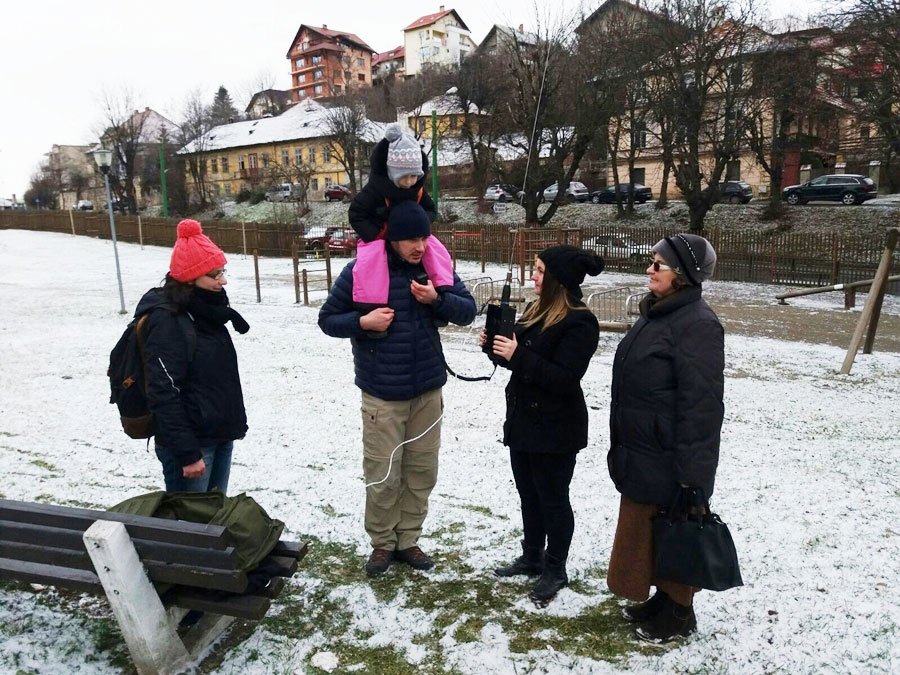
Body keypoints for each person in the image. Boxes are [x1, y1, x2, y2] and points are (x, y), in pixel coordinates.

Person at [318, 200, 477, 578]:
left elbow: (468, 310)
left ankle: (408, 539)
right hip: (382, 394)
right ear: (392, 239)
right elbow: (327, 319)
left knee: (421, 471)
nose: (419, 246)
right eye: (410, 240)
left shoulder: (433, 267)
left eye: (424, 238)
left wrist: (437, 299)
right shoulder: (361, 270)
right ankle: (382, 542)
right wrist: (363, 321)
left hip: (427, 390)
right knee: (383, 474)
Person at [606, 233, 724, 644]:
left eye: (659, 264)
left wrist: (693, 474)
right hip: (645, 447)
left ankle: (679, 612)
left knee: (676, 529)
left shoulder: (698, 325)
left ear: (683, 274)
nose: (649, 269)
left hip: (671, 453)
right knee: (649, 529)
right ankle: (661, 599)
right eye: (651, 261)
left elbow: (702, 406)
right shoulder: (657, 313)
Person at [486, 245, 603, 607]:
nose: (533, 276)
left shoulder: (580, 322)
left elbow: (564, 378)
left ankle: (555, 568)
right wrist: (495, 348)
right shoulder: (536, 311)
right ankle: (532, 556)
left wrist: (517, 354)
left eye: (539, 271)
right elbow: (519, 362)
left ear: (557, 278)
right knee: (529, 495)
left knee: (552, 499)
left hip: (556, 428)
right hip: (523, 421)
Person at [137, 218, 250, 493]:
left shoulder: (209, 314)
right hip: (193, 447)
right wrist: (187, 453)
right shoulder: (169, 321)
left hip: (218, 436)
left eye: (222, 272)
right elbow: (163, 391)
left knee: (215, 515)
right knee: (191, 519)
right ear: (190, 278)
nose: (223, 280)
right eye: (214, 275)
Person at [348, 123, 454, 318]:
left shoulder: (417, 191)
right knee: (371, 260)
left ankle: (442, 290)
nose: (409, 182)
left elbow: (431, 210)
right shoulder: (374, 191)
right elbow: (356, 214)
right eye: (404, 177)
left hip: (410, 238)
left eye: (414, 176)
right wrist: (379, 233)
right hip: (379, 238)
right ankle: (370, 305)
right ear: (391, 173)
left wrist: (417, 226)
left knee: (436, 250)